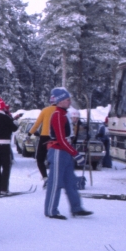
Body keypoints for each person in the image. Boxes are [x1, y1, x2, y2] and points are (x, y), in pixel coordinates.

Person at [44, 87, 93, 219]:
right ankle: (51, 210)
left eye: (69, 99)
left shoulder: (64, 114)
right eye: (66, 99)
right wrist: (75, 154)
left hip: (64, 151)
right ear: (59, 101)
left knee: (70, 182)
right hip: (58, 151)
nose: (69, 102)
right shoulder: (57, 115)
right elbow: (60, 138)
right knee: (56, 183)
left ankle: (76, 207)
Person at [0, 96, 18, 195]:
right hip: (5, 144)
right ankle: (4, 188)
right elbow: (14, 128)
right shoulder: (6, 117)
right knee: (6, 166)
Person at [30, 93, 59, 188]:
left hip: (44, 136)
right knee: (55, 160)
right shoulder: (60, 111)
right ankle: (54, 179)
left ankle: (45, 178)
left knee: (40, 159)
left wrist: (31, 132)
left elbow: (37, 123)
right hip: (56, 137)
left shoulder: (45, 110)